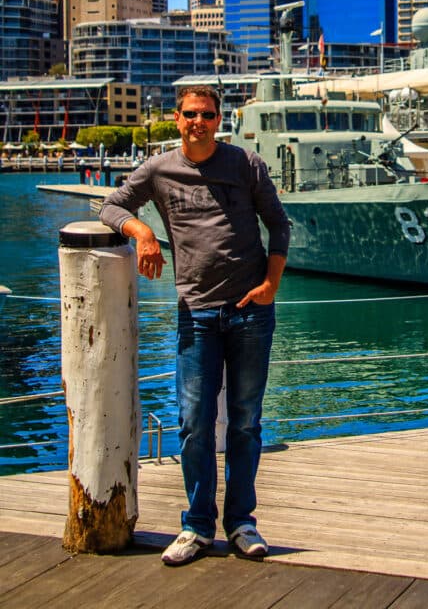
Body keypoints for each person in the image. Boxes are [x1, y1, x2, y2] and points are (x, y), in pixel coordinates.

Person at [100, 85, 290, 566]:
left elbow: (279, 224)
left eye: (206, 114)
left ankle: (242, 522)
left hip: (250, 311)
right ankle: (198, 526)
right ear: (176, 118)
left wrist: (270, 284)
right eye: (189, 114)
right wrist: (142, 232)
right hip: (196, 313)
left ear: (219, 118)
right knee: (193, 425)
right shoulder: (159, 168)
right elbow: (111, 206)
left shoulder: (245, 164)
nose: (198, 122)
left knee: (245, 423)